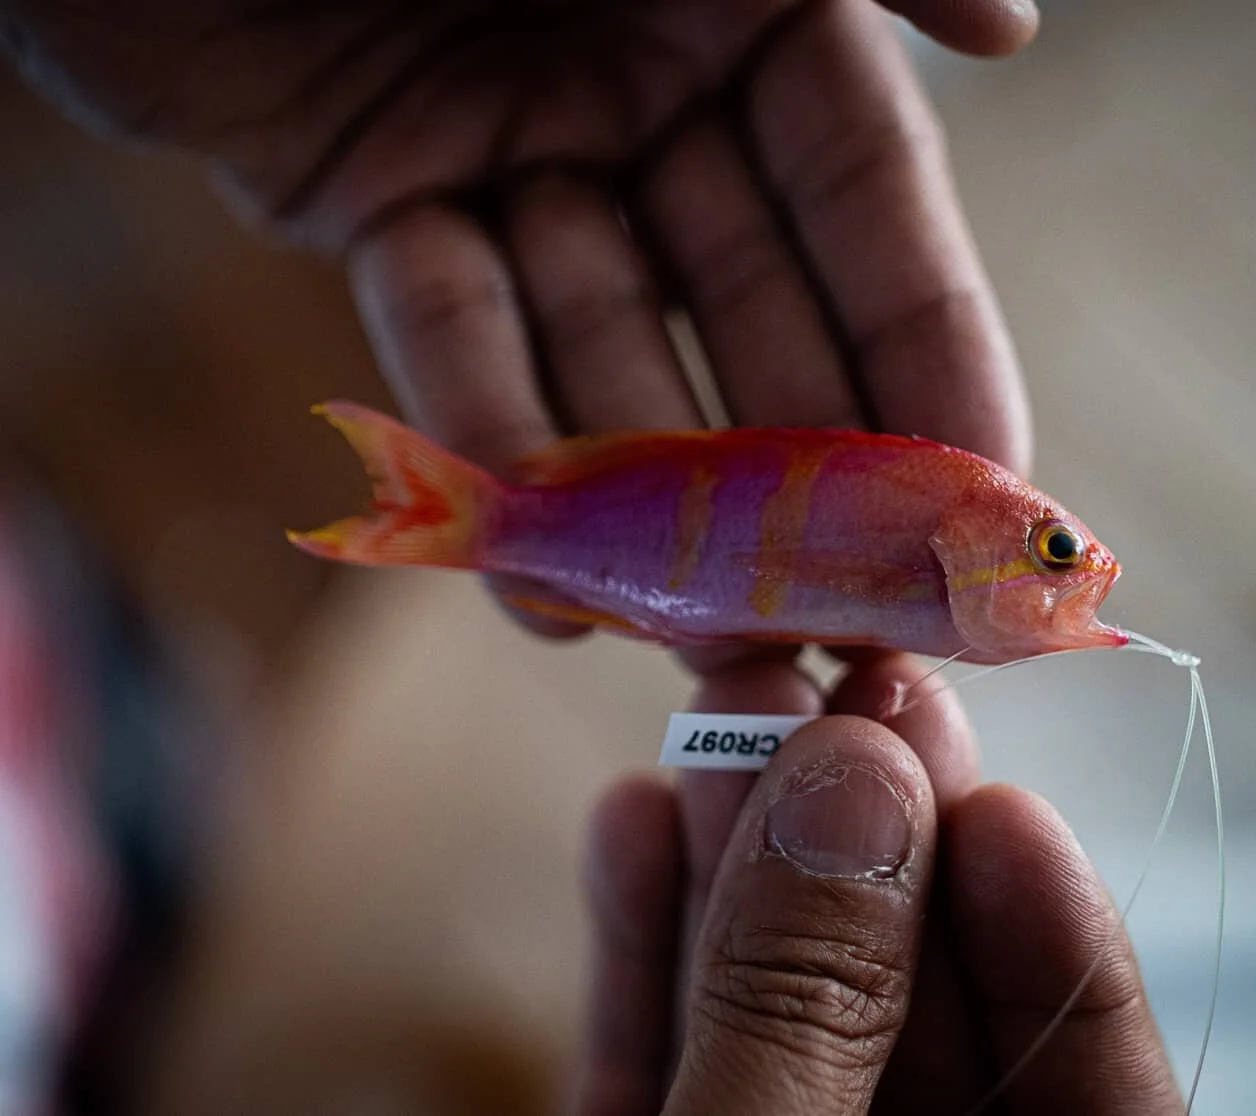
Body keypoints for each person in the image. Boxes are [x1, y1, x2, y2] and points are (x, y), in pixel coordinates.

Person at [2, 1, 1187, 1110]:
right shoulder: (927, 547)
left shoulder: (929, 562)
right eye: (1052, 549)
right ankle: (450, 525)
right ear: (966, 544)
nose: (1072, 570)